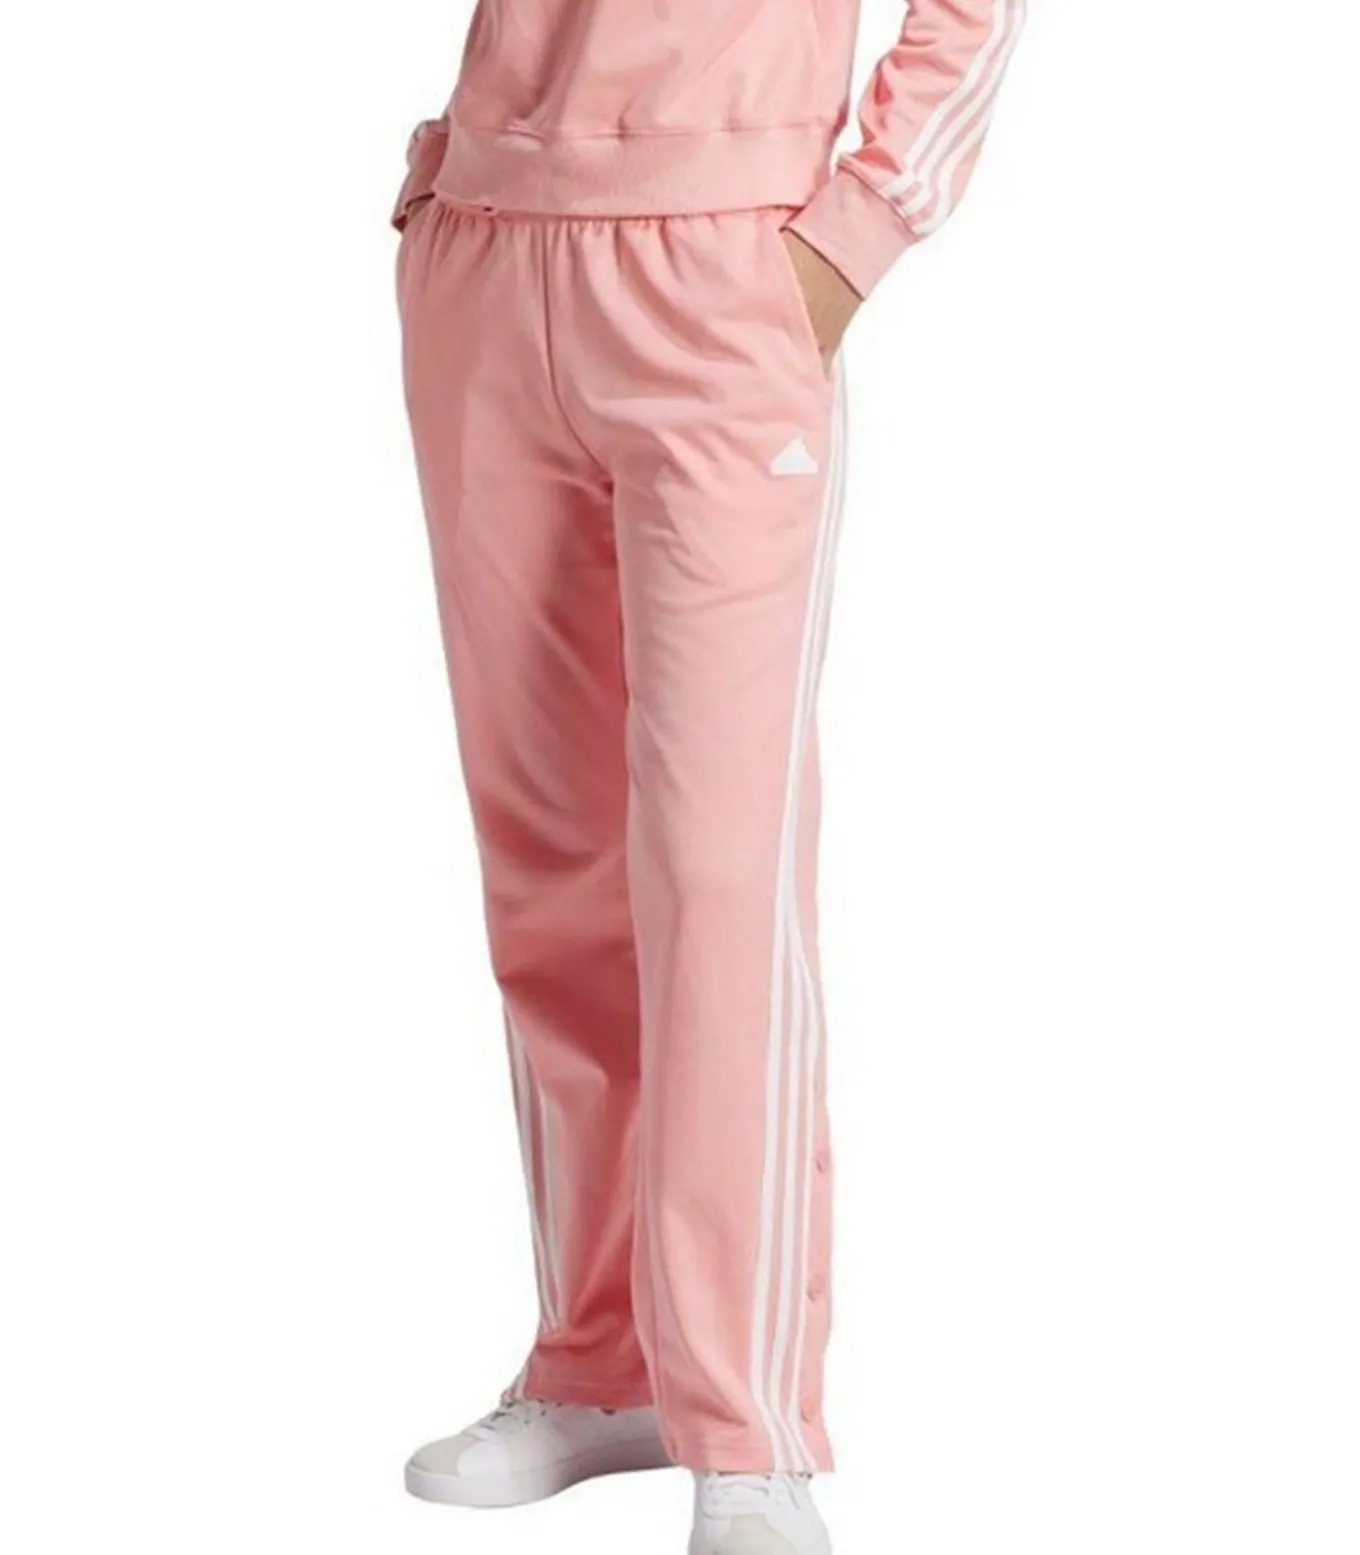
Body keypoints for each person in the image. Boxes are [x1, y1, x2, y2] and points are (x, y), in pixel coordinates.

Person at [393, 3, 1025, 1550]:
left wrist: (858, 230)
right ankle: (597, 1358)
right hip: (491, 242)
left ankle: (748, 1425)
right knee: (548, 872)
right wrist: (441, 185)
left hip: (724, 268)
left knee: (717, 873)